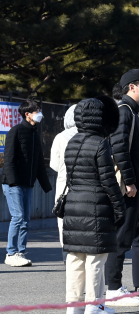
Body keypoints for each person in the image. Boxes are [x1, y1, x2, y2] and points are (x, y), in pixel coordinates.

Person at [63, 96, 125, 314]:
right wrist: (119, 207)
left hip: (73, 204)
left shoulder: (71, 142)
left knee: (75, 257)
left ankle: (73, 305)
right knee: (96, 258)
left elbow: (71, 177)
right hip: (97, 206)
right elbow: (108, 180)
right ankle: (95, 304)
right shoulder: (100, 143)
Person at [106, 69, 139, 306]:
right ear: (133, 87)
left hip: (130, 185)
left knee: (123, 236)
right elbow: (119, 149)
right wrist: (130, 181)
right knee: (121, 237)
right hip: (126, 187)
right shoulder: (124, 112)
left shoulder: (131, 112)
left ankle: (114, 286)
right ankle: (113, 289)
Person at [2, 99, 52, 267]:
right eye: (36, 111)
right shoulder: (15, 131)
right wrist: (14, 182)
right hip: (13, 183)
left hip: (28, 183)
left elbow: (38, 162)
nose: (39, 114)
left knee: (26, 220)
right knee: (18, 217)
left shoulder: (35, 134)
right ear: (27, 114)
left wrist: (46, 186)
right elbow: (8, 160)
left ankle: (20, 252)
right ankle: (10, 253)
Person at [50, 104, 77, 262]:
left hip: (64, 189)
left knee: (64, 226)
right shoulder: (95, 135)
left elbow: (54, 165)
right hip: (88, 188)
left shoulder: (60, 137)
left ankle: (69, 260)